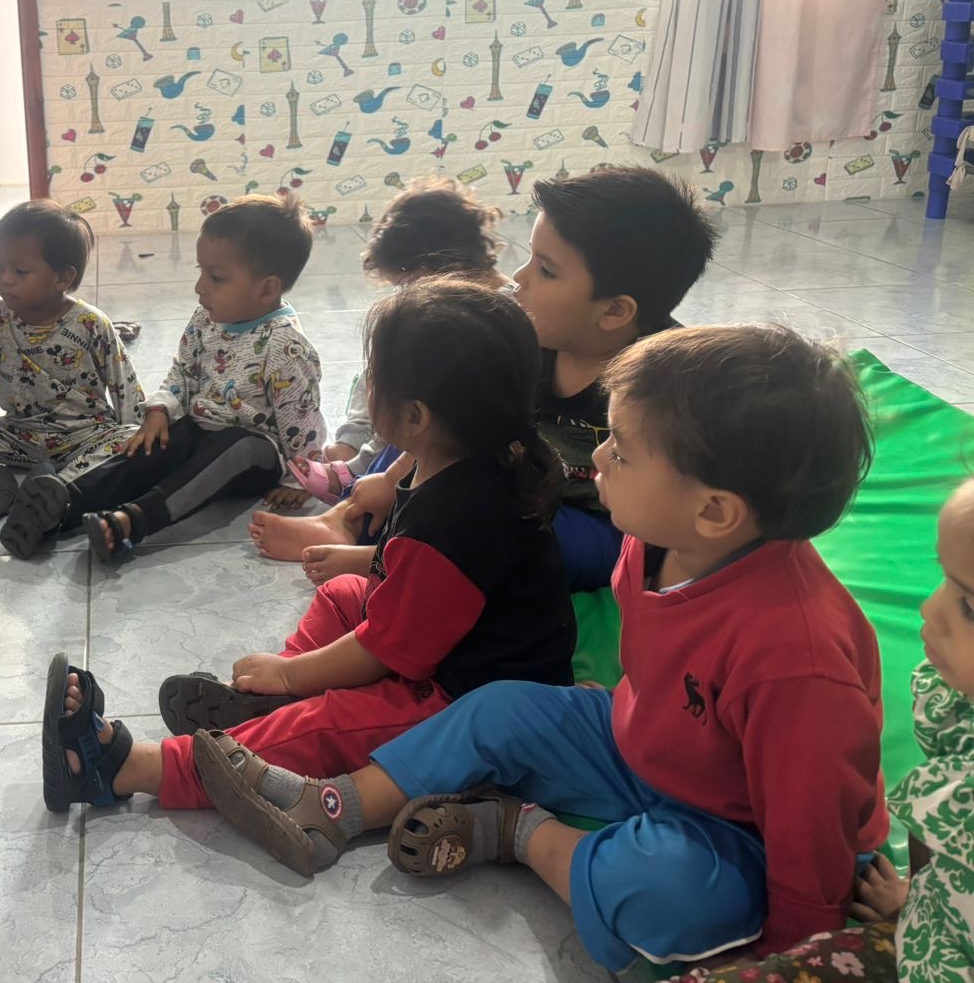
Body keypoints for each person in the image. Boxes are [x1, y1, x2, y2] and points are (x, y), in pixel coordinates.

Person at [198, 324, 886, 974]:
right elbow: (671, 666)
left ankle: (519, 832)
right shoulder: (654, 542)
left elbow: (812, 834)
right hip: (652, 750)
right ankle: (331, 807)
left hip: (744, 827)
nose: (598, 459)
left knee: (663, 891)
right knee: (497, 709)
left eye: (621, 450)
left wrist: (797, 957)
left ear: (715, 511)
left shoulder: (798, 660)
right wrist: (624, 709)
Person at [41, 279, 575, 817]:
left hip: (461, 704)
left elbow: (384, 652)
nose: (367, 385)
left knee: (327, 725)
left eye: (374, 376)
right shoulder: (464, 458)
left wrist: (291, 672)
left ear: (416, 417)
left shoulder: (455, 519)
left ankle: (126, 769)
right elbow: (403, 599)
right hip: (440, 650)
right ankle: (273, 704)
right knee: (345, 593)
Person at [251, 166, 719, 597]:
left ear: (615, 310)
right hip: (519, 481)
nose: (520, 277)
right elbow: (458, 419)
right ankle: (344, 519)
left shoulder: (663, 383)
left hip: (595, 526)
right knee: (431, 423)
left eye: (546, 270)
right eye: (530, 258)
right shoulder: (525, 334)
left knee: (482, 515)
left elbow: (669, 508)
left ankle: (387, 557)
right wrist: (392, 479)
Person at [669, 478, 974, 983]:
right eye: (943, 576)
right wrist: (916, 900)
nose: (929, 609)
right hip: (925, 934)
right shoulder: (956, 702)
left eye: (970, 606)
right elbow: (937, 817)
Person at [0, 194, 324, 561]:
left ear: (267, 288)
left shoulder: (286, 347)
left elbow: (303, 423)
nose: (200, 287)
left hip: (255, 456)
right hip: (200, 429)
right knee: (152, 447)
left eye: (216, 277)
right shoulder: (206, 319)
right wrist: (159, 410)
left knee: (241, 445)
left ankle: (130, 522)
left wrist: (301, 478)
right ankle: (64, 502)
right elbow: (182, 370)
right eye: (201, 271)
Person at [0, 199, 143, 519]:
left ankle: (59, 488)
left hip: (86, 436)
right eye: (0, 266)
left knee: (127, 438)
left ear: (62, 278)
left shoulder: (91, 324)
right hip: (18, 435)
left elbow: (125, 385)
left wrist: (140, 432)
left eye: (20, 271)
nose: (5, 278)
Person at [288, 180, 509, 505]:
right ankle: (356, 452)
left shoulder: (503, 311)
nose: (407, 296)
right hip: (402, 434)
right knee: (385, 356)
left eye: (410, 285)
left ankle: (361, 472)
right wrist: (353, 437)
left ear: (452, 266)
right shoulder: (437, 305)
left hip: (457, 438)